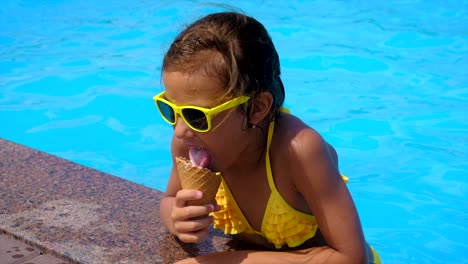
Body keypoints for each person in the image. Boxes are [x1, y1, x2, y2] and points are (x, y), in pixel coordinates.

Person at [156, 11, 381, 264]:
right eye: (170, 109)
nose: (180, 130)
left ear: (257, 108)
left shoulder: (299, 151)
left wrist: (226, 261)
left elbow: (352, 258)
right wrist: (177, 218)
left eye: (196, 115)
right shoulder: (188, 144)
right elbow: (170, 200)